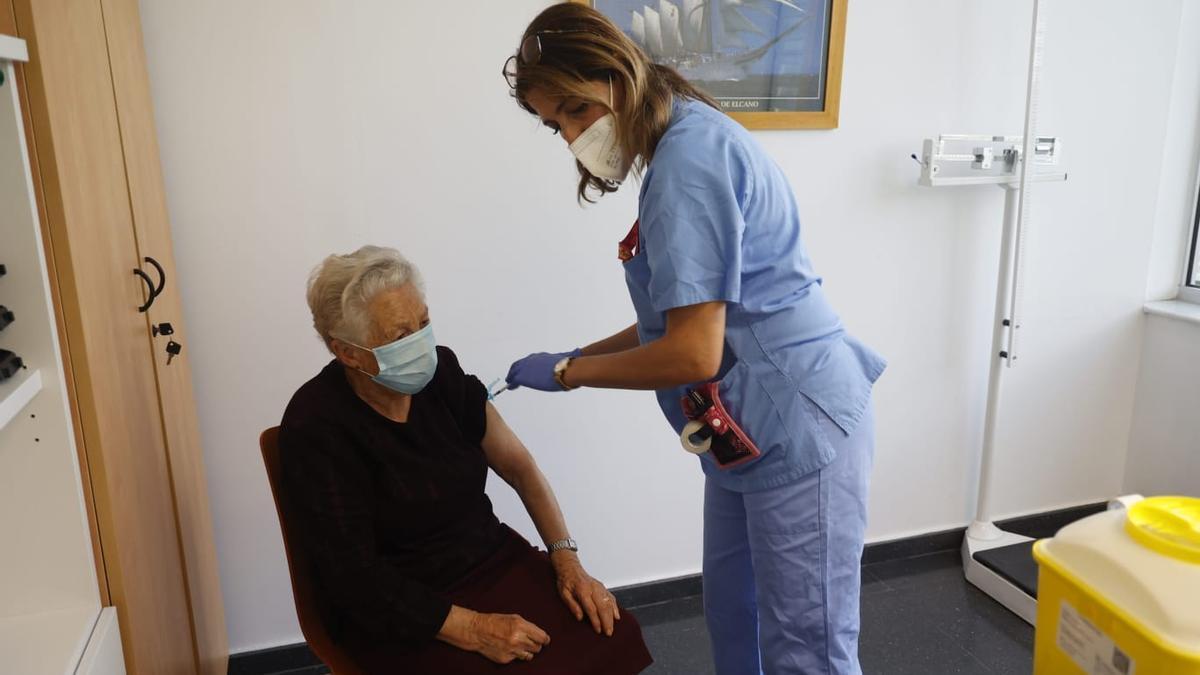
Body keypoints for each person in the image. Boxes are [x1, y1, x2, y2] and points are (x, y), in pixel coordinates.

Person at [502, 5, 886, 674]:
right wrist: (578, 354)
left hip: (797, 423)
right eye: (553, 124)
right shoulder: (677, 147)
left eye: (574, 110)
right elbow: (674, 321)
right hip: (743, 434)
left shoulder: (688, 163)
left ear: (616, 75)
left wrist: (572, 375)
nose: (569, 136)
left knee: (808, 647)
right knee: (737, 620)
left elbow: (692, 353)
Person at [279, 246, 652, 673]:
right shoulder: (316, 427)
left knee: (611, 635)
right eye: (401, 336)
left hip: (489, 558)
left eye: (423, 323)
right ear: (347, 352)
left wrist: (567, 562)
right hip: (399, 605)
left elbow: (519, 467)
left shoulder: (443, 374)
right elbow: (353, 576)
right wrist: (473, 629)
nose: (422, 344)